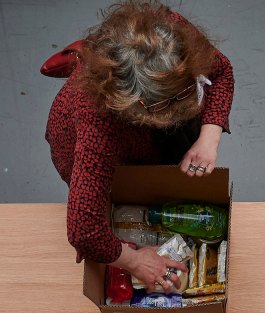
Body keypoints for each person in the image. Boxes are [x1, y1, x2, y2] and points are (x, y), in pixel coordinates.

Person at [45, 1, 234, 292]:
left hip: (147, 118)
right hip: (107, 137)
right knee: (106, 193)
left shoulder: (167, 36)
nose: (192, 100)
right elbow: (85, 230)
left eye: (188, 87)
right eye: (168, 104)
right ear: (136, 104)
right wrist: (134, 261)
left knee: (176, 148)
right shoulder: (98, 125)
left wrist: (210, 135)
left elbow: (221, 73)